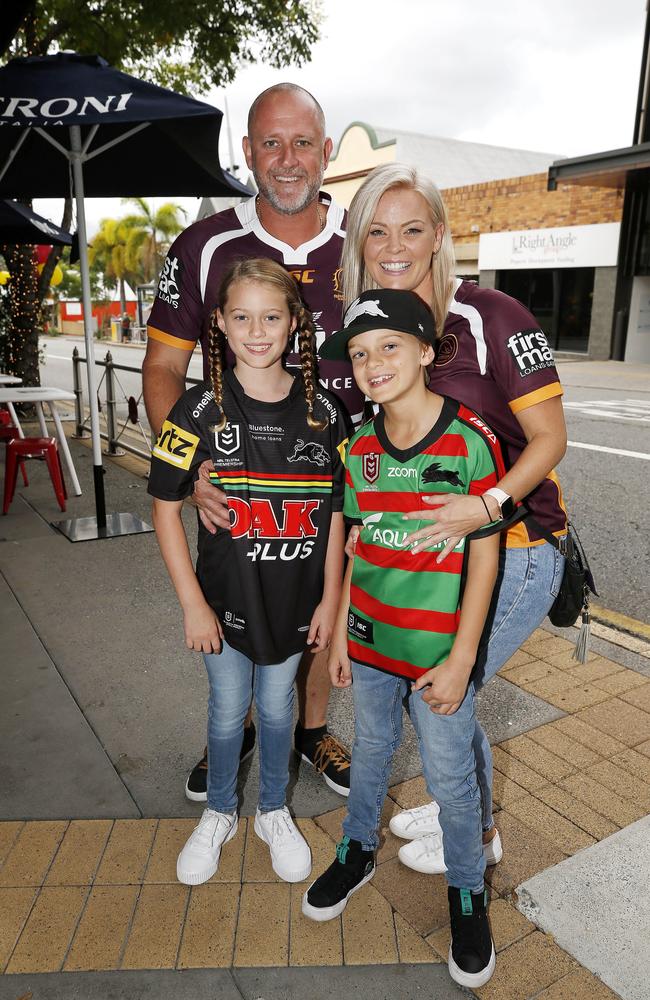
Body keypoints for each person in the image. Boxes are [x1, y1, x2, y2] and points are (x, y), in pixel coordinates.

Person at [340, 163, 567, 874]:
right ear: (361, 244)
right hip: (420, 565)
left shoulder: (491, 316)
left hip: (513, 548)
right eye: (377, 231)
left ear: (439, 235)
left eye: (412, 227)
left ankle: (478, 829)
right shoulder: (369, 330)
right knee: (430, 692)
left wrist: (487, 504)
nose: (395, 244)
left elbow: (551, 438)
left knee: (442, 690)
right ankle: (458, 806)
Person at [144, 83, 363, 801]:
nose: (288, 159)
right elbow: (165, 364)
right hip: (238, 478)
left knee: (323, 597)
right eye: (271, 142)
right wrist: (194, 469)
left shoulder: (365, 244)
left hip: (340, 471)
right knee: (243, 605)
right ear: (248, 152)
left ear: (327, 152)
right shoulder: (205, 245)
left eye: (304, 142)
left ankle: (309, 730)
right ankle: (233, 732)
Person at [302, 288, 504, 989]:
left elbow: (484, 555)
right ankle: (357, 850)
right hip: (372, 643)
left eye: (388, 345)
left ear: (425, 351)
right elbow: (354, 545)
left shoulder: (469, 441)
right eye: (358, 353)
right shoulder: (357, 447)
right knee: (373, 752)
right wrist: (338, 642)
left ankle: (468, 894)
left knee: (451, 781)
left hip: (437, 657)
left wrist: (462, 658)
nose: (372, 362)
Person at [147, 259, 347, 886]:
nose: (257, 331)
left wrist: (329, 603)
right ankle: (220, 812)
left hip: (297, 601)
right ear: (221, 328)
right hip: (225, 602)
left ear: (294, 324)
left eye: (271, 317)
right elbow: (163, 507)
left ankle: (271, 810)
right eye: (242, 317)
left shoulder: (328, 413)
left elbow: (340, 518)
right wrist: (192, 604)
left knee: (280, 711)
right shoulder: (194, 409)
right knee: (229, 709)